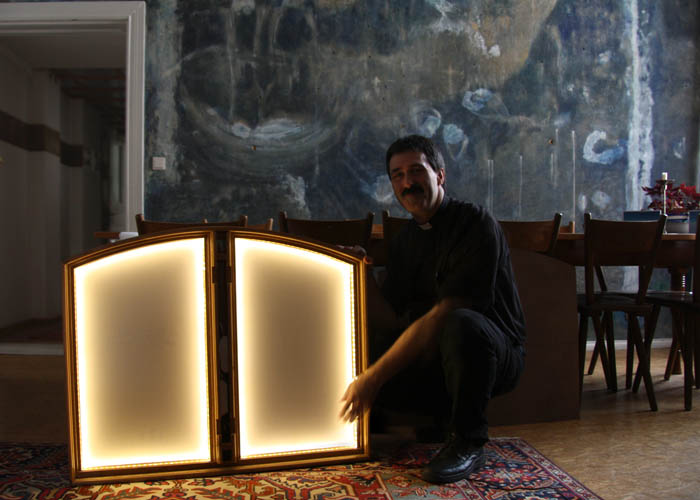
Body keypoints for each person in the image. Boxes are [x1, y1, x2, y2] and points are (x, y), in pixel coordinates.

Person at [340, 134, 526, 484]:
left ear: (440, 175)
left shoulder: (476, 224)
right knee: (367, 338)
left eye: (416, 171)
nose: (407, 183)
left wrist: (372, 378)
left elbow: (443, 315)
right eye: (397, 175)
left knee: (459, 323)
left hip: (494, 356)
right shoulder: (405, 241)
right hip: (437, 359)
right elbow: (390, 320)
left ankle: (467, 441)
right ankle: (415, 420)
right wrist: (362, 275)